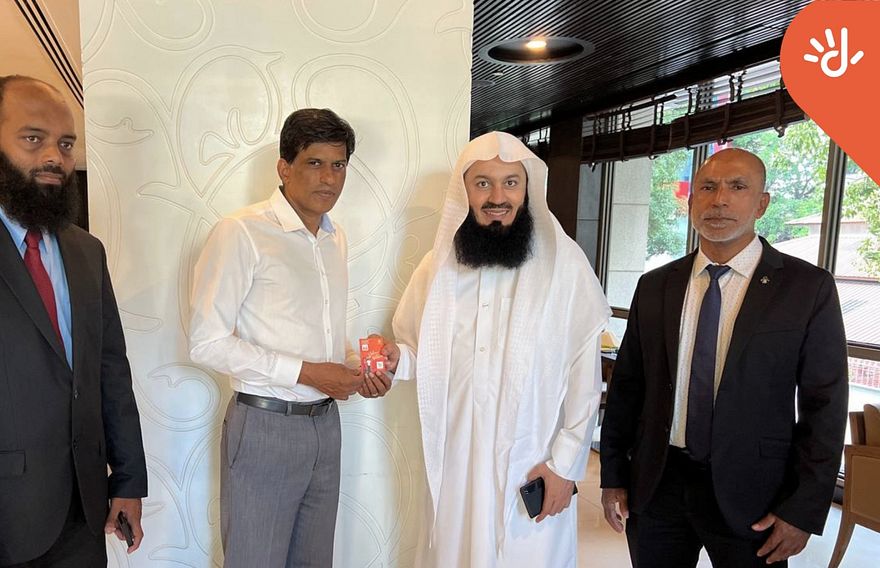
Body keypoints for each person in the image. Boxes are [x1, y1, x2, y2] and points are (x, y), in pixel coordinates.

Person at [599, 148, 849, 567]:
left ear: (761, 203)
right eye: (708, 188)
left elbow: (825, 404)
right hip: (658, 485)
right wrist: (613, 476)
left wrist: (803, 508)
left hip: (756, 495)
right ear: (691, 202)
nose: (719, 200)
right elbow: (627, 387)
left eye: (737, 187)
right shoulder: (656, 285)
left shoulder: (806, 288)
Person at [374, 131, 610, 567]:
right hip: (457, 465)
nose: (497, 197)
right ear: (463, 191)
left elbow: (584, 377)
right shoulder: (438, 267)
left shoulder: (564, 265)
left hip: (531, 463)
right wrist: (396, 359)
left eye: (510, 183)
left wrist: (565, 465)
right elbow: (418, 351)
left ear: (527, 189)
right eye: (482, 183)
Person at [189, 108, 385, 568]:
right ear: (284, 167)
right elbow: (206, 341)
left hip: (326, 425)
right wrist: (308, 373)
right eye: (315, 163)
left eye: (339, 165)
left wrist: (358, 371)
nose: (329, 178)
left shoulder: (335, 238)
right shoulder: (242, 232)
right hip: (265, 426)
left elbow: (320, 335)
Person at [0, 75, 147, 566]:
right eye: (32, 138)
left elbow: (111, 371)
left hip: (84, 512)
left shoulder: (86, 251)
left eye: (65, 144)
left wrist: (127, 481)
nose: (54, 157)